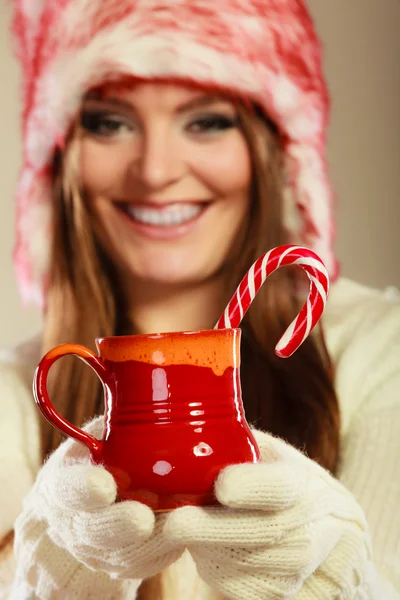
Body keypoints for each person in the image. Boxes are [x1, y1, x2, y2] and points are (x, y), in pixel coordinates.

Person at [1, 0, 399, 598]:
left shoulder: (382, 352)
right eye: (108, 122)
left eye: (208, 120)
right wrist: (47, 573)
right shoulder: (11, 395)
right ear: (58, 156)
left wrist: (341, 575)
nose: (156, 171)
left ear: (276, 147)